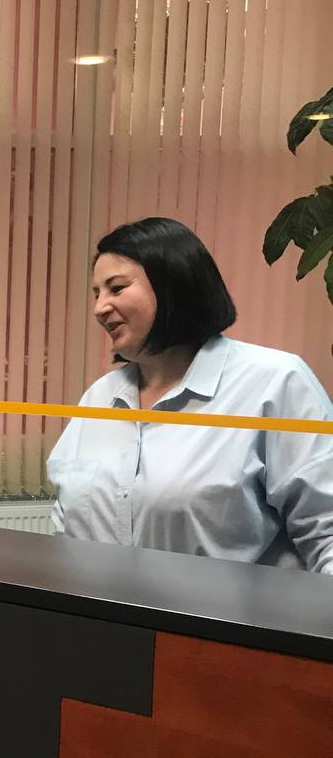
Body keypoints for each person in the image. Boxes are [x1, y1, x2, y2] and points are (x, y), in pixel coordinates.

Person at [47, 216, 333, 573]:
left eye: (116, 289)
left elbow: (327, 531)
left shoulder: (275, 383)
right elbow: (64, 527)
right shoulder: (99, 397)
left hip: (236, 611)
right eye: (96, 294)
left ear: (174, 284)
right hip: (98, 609)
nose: (99, 308)